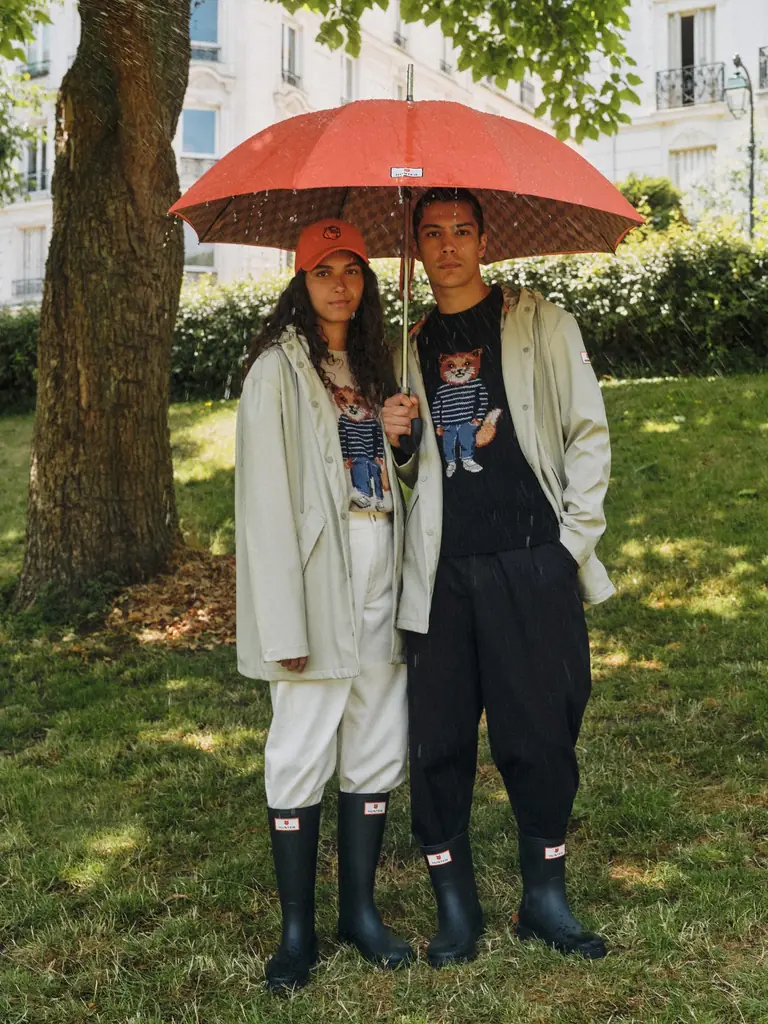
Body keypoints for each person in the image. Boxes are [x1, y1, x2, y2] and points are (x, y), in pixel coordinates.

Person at [382, 188, 613, 967]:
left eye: (461, 230)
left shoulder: (540, 321)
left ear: (484, 239)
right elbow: (411, 475)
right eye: (432, 232)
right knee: (438, 739)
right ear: (417, 247)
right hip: (441, 574)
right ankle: (456, 906)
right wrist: (401, 443)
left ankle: (544, 897)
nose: (447, 245)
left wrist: (568, 546)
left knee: (540, 731)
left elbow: (587, 432)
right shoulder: (407, 345)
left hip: (531, 559)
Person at [236, 219, 412, 995]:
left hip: (382, 566)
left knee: (374, 731)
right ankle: (296, 931)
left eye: (352, 270)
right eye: (323, 272)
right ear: (299, 282)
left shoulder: (375, 363)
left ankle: (360, 914)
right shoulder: (277, 371)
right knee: (302, 741)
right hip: (316, 578)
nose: (340, 285)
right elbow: (264, 504)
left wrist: (401, 439)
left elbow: (402, 479)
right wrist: (283, 619)